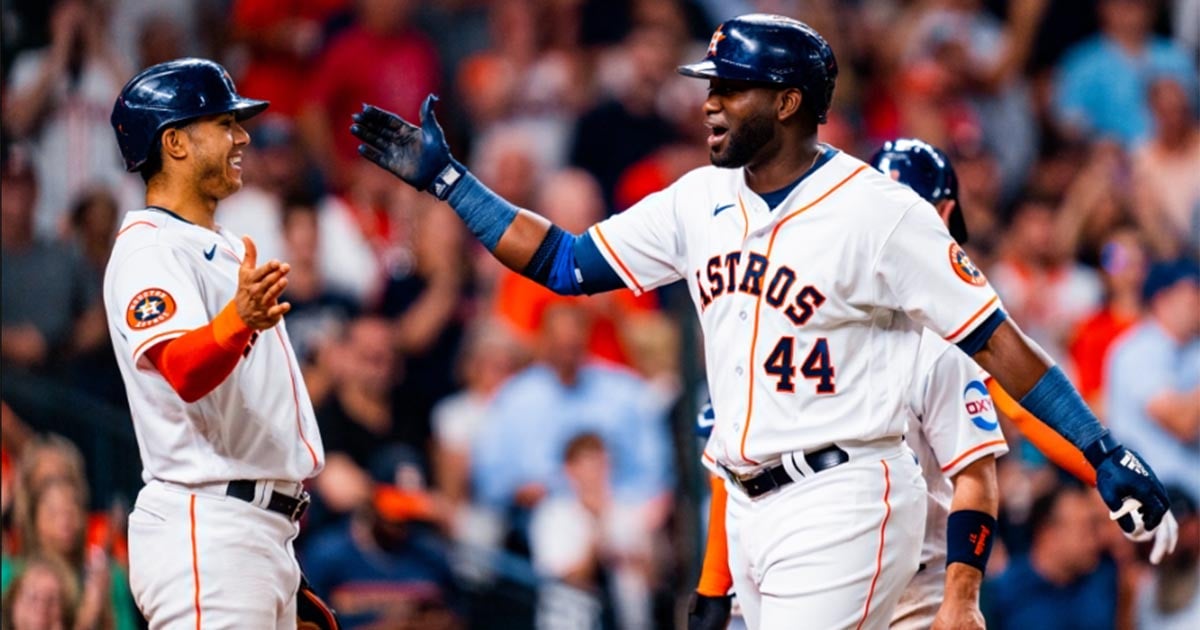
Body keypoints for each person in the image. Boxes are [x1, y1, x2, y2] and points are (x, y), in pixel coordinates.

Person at [350, 14, 1173, 628]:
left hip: (848, 492)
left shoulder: (880, 213)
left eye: (728, 87)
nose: (709, 103)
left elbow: (1000, 343)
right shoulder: (699, 197)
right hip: (747, 505)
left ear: (786, 101)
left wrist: (1102, 452)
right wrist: (453, 184)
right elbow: (565, 263)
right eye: (709, 85)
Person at [103, 58, 327, 628]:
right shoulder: (149, 249)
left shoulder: (218, 243)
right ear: (174, 142)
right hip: (211, 527)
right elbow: (182, 368)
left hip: (256, 534)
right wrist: (240, 320)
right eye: (224, 123)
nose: (243, 136)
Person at [985, 481, 1119, 630]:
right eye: (1085, 531)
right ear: (1049, 534)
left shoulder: (1106, 581)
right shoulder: (1001, 592)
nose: (1095, 541)